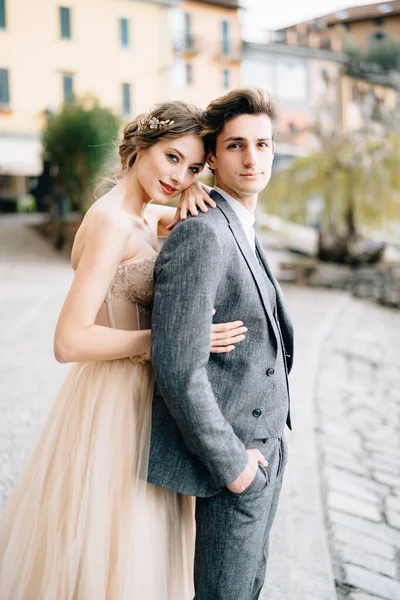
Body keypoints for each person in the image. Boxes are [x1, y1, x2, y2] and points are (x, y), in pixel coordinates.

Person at [0, 101, 248, 600]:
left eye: (194, 167)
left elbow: (158, 223)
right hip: (116, 401)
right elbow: (69, 340)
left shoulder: (137, 215)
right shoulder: (114, 222)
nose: (179, 177)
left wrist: (195, 190)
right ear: (139, 147)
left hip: (143, 392)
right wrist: (173, 341)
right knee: (116, 543)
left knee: (139, 546)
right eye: (172, 158)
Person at [149, 87, 294, 600]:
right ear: (212, 156)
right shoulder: (204, 234)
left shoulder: (244, 226)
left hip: (266, 448)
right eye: (235, 145)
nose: (252, 158)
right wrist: (233, 466)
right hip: (231, 462)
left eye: (262, 144)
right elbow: (177, 367)